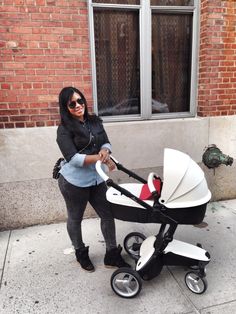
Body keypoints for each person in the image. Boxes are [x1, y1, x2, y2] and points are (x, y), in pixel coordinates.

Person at [56, 86, 130, 272]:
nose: (78, 105)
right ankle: (80, 252)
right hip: (74, 183)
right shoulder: (63, 130)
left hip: (96, 179)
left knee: (108, 214)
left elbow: (105, 141)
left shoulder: (95, 121)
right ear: (66, 108)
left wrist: (105, 151)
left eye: (80, 101)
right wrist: (101, 158)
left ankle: (112, 254)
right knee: (75, 218)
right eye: (72, 104)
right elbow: (73, 159)